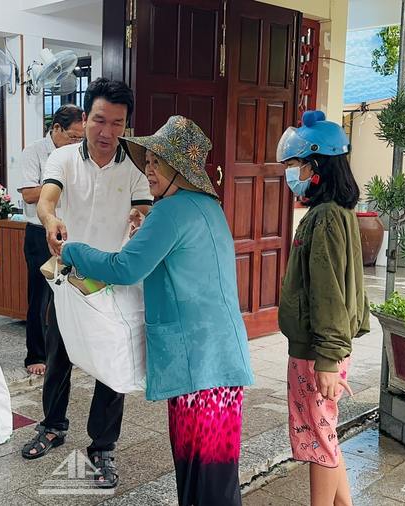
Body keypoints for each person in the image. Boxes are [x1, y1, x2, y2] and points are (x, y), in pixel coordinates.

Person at [60, 116, 254, 505]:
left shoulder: (169, 212)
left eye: (157, 163)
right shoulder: (206, 206)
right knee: (213, 475)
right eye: (147, 161)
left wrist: (71, 249)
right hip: (220, 359)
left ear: (179, 168)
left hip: (196, 364)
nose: (148, 170)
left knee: (202, 478)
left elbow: (124, 268)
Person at [20, 78, 153, 489]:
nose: (106, 132)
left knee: (112, 366)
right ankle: (53, 425)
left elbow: (144, 206)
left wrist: (141, 218)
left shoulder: (134, 165)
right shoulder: (62, 158)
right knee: (59, 355)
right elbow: (46, 198)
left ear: (126, 124)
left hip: (114, 283)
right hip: (71, 278)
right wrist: (50, 219)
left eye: (117, 123)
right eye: (99, 120)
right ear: (85, 116)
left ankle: (103, 447)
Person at [275, 110, 369, 506]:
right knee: (326, 433)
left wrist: (328, 360)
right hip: (324, 349)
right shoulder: (333, 213)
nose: (291, 172)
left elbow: (328, 292)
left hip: (318, 353)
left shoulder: (325, 218)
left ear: (318, 166)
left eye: (296, 164)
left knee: (317, 442)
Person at [16, 104, 84, 376]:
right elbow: (29, 194)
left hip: (71, 232)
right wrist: (60, 180)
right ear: (56, 128)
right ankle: (36, 354)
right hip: (39, 232)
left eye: (81, 138)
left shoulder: (80, 153)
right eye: (72, 136)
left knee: (72, 294)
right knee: (40, 297)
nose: (77, 143)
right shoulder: (34, 151)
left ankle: (73, 352)